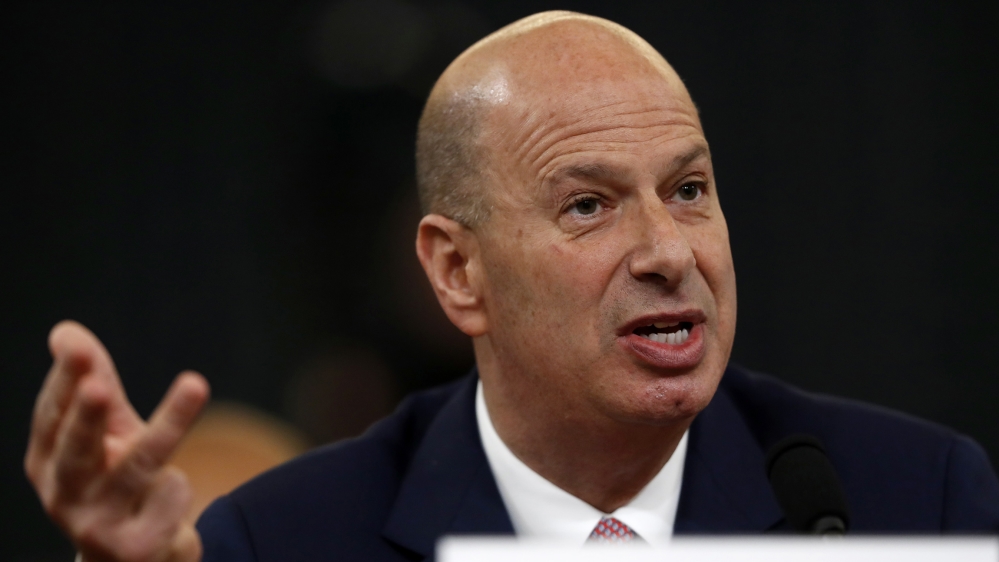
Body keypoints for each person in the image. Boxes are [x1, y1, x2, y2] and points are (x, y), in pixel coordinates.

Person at [24, 11, 999, 562]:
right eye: (589, 205)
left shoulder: (912, 499)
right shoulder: (286, 539)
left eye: (688, 190)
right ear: (457, 272)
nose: (668, 251)